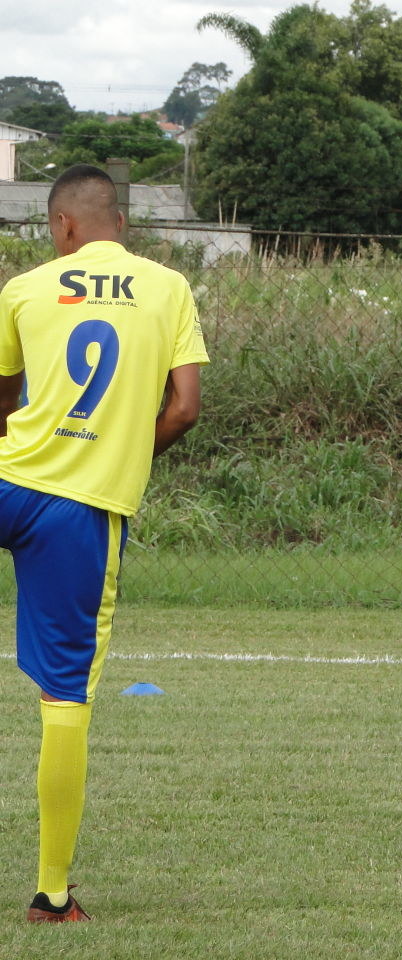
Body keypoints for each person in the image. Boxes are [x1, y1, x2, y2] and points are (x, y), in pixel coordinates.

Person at [0, 164, 208, 922]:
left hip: (8, 479)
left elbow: (3, 400)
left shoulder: (23, 289)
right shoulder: (169, 288)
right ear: (119, 223)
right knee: (64, 698)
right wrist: (118, 453)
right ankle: (52, 896)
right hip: (78, 512)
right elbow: (184, 409)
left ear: (62, 226)